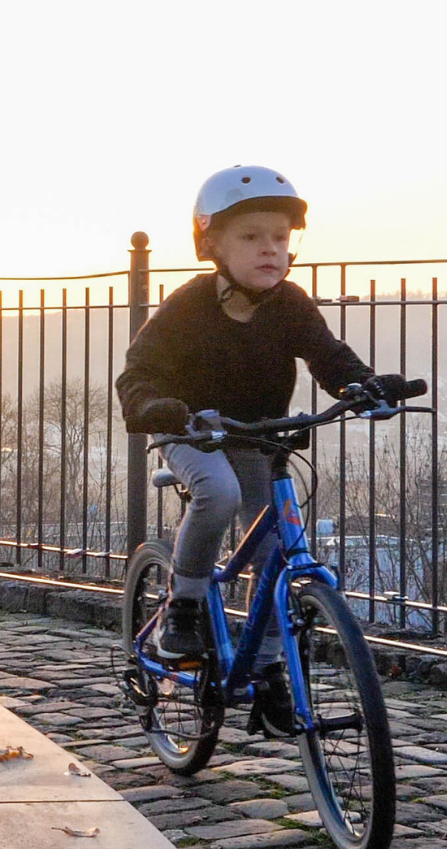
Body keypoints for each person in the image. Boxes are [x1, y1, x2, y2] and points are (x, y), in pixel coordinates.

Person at [115, 166, 414, 736]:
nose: (270, 250)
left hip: (259, 432)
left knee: (276, 540)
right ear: (213, 245)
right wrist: (156, 406)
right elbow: (138, 373)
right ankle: (184, 604)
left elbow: (329, 356)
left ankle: (268, 668)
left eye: (280, 238)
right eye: (252, 237)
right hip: (190, 431)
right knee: (220, 492)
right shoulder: (189, 306)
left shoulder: (290, 305)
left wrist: (364, 386)